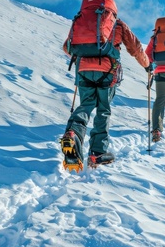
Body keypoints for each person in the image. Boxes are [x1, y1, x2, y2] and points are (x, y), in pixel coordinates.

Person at [61, 18, 149, 172]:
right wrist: (148, 66)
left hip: (83, 70)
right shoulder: (118, 24)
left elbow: (67, 47)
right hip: (108, 71)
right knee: (103, 109)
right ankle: (97, 152)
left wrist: (87, 57)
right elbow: (136, 48)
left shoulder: (82, 20)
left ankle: (73, 132)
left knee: (86, 104)